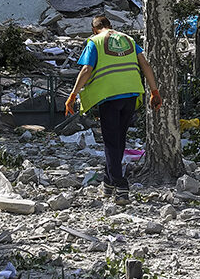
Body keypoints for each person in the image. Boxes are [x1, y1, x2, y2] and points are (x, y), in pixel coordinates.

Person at [65, 16, 162, 205]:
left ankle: (121, 187)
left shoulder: (95, 41)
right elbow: (145, 64)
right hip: (131, 94)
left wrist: (72, 95)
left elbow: (86, 70)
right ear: (110, 26)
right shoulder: (128, 39)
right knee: (119, 140)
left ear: (94, 30)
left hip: (110, 97)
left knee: (111, 142)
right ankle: (108, 182)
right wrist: (154, 91)